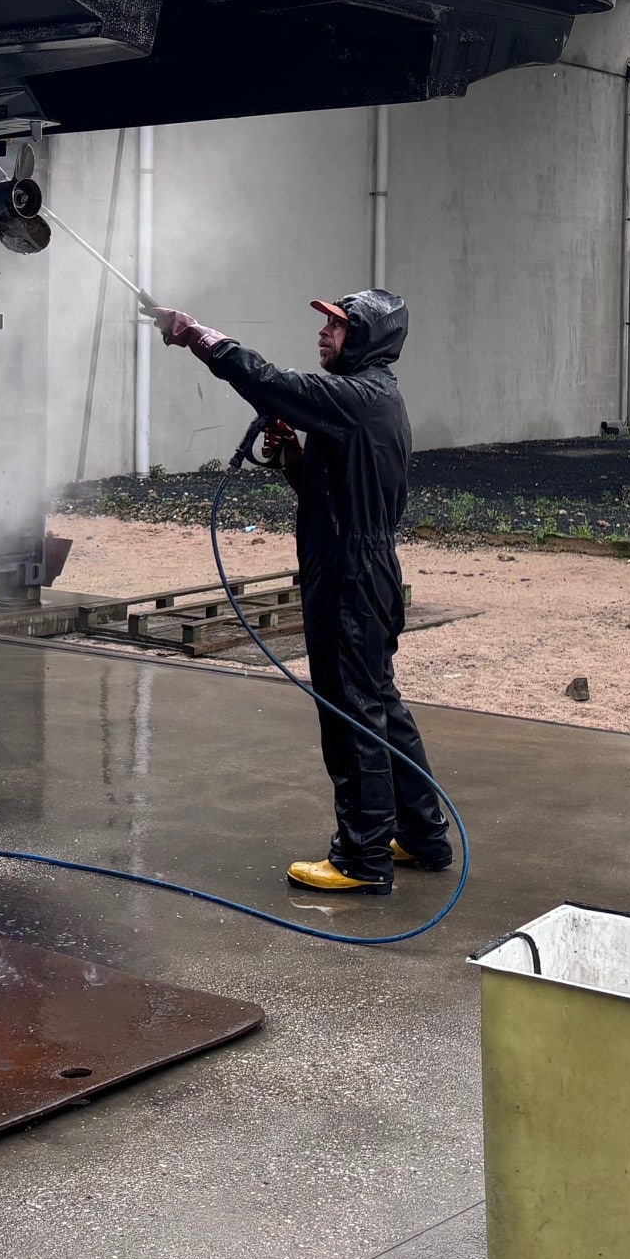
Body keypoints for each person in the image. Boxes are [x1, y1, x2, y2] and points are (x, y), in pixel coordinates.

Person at [145, 289, 451, 893]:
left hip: (349, 576)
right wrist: (292, 458)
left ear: (365, 339)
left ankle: (362, 859)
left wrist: (200, 337)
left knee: (350, 713)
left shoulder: (359, 397)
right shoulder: (372, 400)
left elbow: (272, 383)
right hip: (363, 567)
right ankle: (421, 833)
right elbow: (337, 493)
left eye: (337, 327)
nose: (323, 335)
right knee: (378, 704)